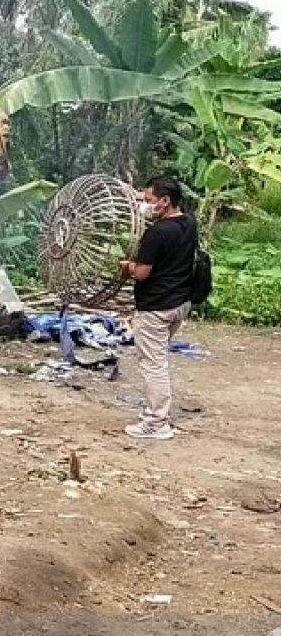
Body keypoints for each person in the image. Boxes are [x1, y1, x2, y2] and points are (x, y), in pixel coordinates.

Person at [119, 176, 198, 440]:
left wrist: (128, 267)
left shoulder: (157, 233)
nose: (143, 205)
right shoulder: (188, 223)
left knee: (153, 365)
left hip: (156, 308)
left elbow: (142, 273)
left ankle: (156, 423)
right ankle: (155, 414)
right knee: (159, 360)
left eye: (148, 200)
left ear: (164, 201)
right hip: (179, 303)